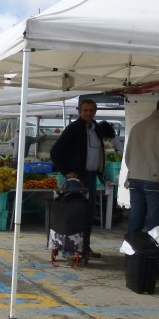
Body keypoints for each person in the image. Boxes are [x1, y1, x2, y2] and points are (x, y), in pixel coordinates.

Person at [49, 99, 105, 258]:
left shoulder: (96, 128)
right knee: (73, 213)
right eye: (85, 110)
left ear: (95, 111)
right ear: (80, 111)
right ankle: (69, 250)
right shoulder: (74, 128)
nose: (89, 113)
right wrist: (67, 171)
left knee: (87, 214)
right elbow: (55, 152)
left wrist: (102, 173)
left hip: (92, 176)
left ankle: (84, 247)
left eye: (92, 110)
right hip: (77, 178)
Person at [124, 93, 159, 235]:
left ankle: (131, 253)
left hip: (135, 179)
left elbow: (128, 155)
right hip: (157, 181)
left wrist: (133, 172)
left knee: (135, 219)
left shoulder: (138, 126)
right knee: (156, 224)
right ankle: (153, 255)